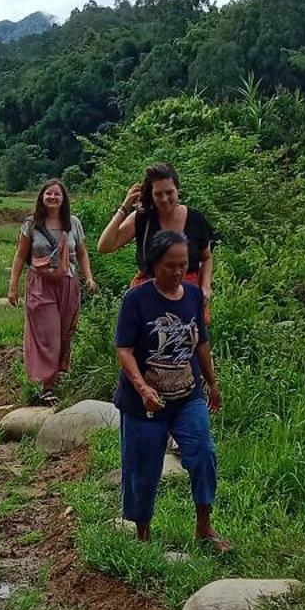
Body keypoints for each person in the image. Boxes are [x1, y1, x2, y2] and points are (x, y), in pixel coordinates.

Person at [114, 229, 230, 549]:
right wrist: (141, 388)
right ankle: (143, 533)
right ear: (154, 265)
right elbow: (123, 349)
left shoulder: (193, 295)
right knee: (144, 466)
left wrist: (212, 383)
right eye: (170, 265)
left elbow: (201, 344)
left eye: (183, 265)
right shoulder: (136, 300)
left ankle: (204, 528)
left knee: (203, 453)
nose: (178, 272)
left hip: (187, 394)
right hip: (145, 402)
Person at [7, 179, 96, 402]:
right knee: (49, 335)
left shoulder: (73, 223)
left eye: (57, 194)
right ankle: (46, 386)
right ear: (42, 198)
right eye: (49, 194)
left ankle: (57, 377)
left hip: (68, 283)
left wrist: (89, 278)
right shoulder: (31, 224)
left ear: (63, 199)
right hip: (40, 284)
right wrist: (13, 287)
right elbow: (20, 255)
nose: (53, 198)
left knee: (66, 332)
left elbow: (83, 253)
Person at [98, 163, 215, 316]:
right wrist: (124, 208)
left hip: (187, 296)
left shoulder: (195, 219)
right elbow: (105, 246)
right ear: (151, 195)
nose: (165, 199)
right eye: (158, 194)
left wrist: (205, 287)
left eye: (169, 192)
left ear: (177, 190)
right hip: (148, 298)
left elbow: (206, 257)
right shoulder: (142, 219)